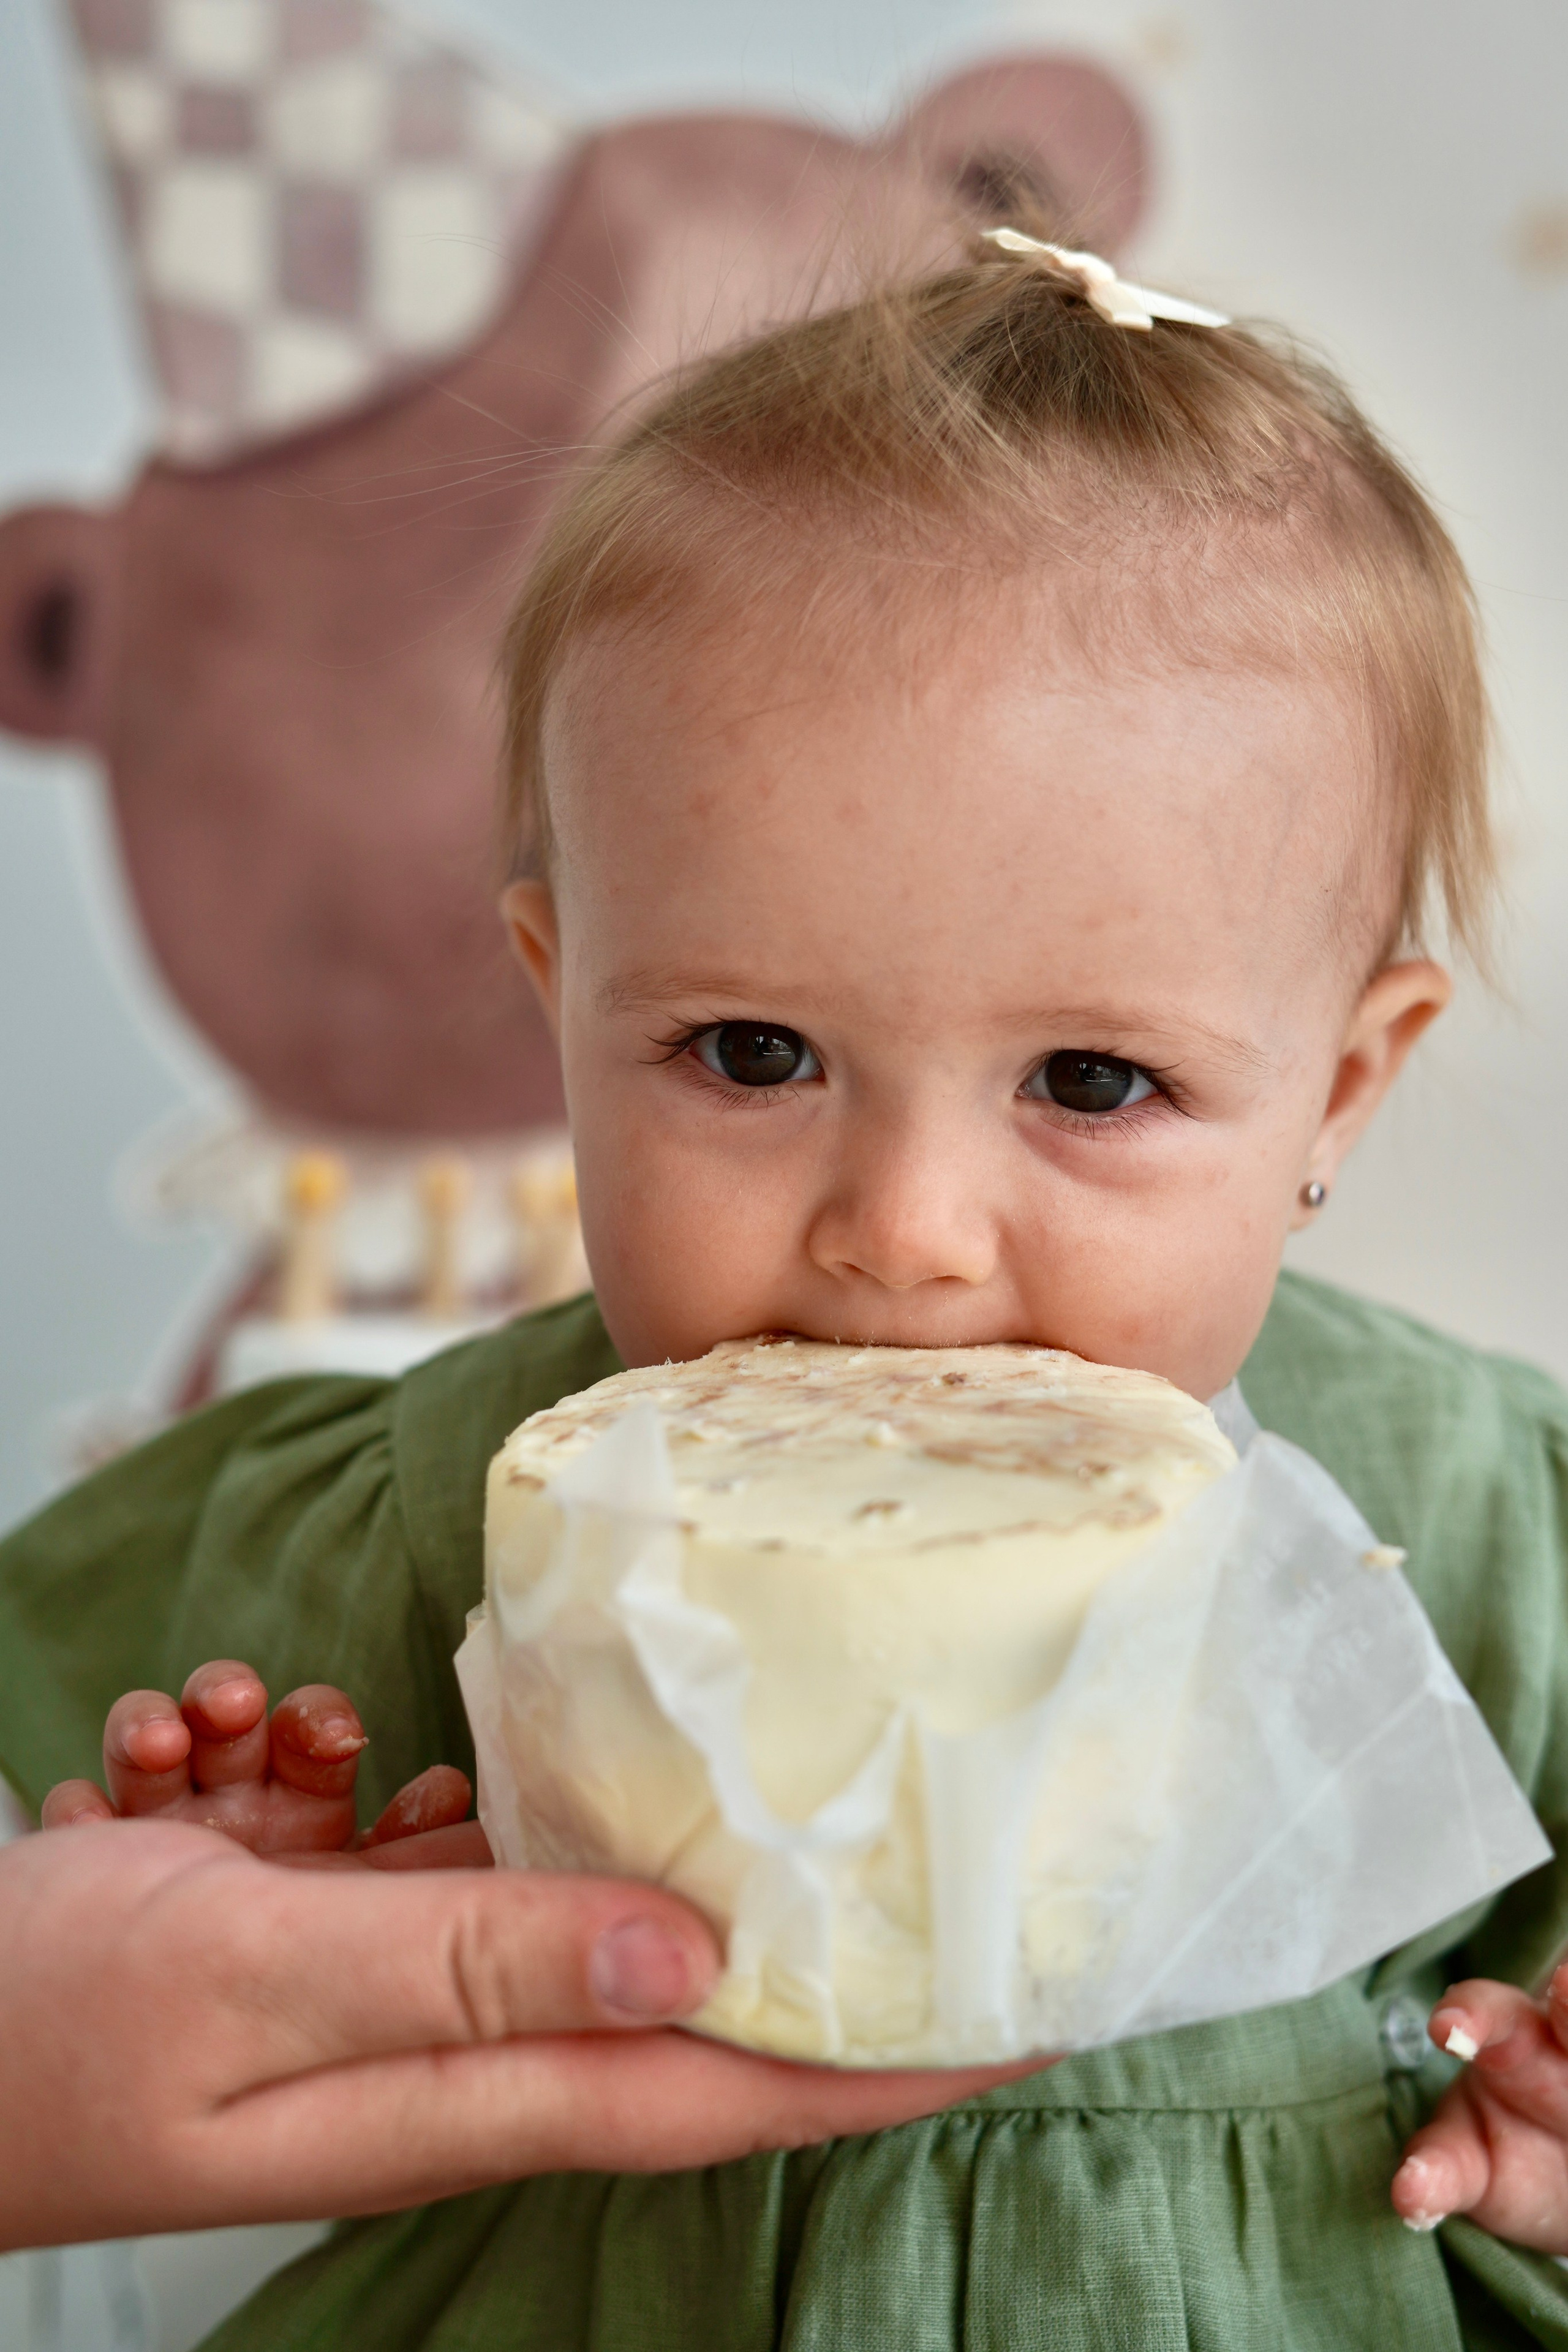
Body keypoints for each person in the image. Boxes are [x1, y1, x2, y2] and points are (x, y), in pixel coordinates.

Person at [5, 218, 1568, 2344]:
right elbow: (158, 2026)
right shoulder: (424, 1517)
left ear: (1340, 1089)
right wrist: (269, 1908)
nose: (902, 1231)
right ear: (561, 997)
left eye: (1091, 1082)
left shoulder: (1479, 1522)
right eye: (751, 1055)